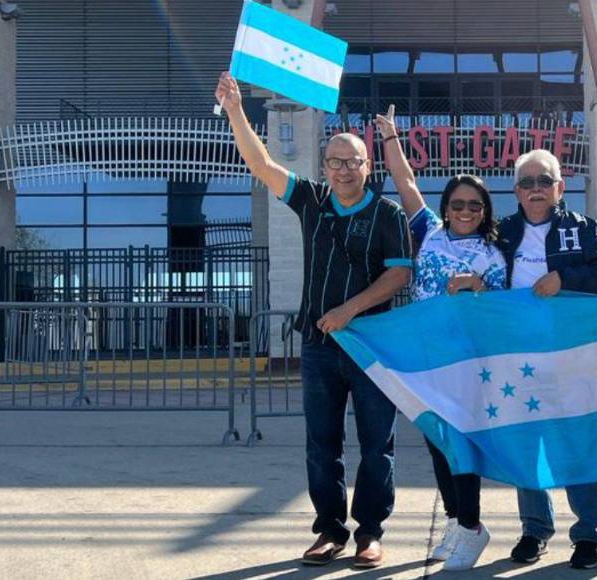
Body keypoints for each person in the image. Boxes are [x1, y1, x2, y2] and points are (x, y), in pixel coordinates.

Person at [216, 73, 412, 569]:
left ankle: (369, 533)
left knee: (376, 447)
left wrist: (349, 310)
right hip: (320, 348)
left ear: (369, 166)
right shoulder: (312, 201)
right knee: (322, 444)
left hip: (372, 345)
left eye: (353, 161)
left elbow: (398, 278)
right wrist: (237, 109)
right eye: (335, 161)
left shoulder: (389, 215)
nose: (344, 169)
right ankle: (330, 530)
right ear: (324, 167)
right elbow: (260, 164)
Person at [373, 106, 506, 570]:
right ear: (446, 208)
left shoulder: (494, 253)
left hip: (468, 363)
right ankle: (455, 519)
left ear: (485, 210)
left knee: (460, 443)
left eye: (475, 205)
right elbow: (407, 183)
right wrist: (390, 136)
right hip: (426, 358)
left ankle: (471, 525)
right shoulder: (428, 232)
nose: (465, 211)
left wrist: (479, 286)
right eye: (457, 204)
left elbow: (504, 308)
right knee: (435, 441)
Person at [495, 149, 597, 569]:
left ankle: (587, 534)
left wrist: (565, 278)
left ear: (560, 187)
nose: (536, 189)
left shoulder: (582, 229)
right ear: (516, 192)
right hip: (519, 361)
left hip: (573, 359)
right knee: (528, 447)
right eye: (527, 183)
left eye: (544, 181)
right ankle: (534, 529)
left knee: (578, 444)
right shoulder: (502, 233)